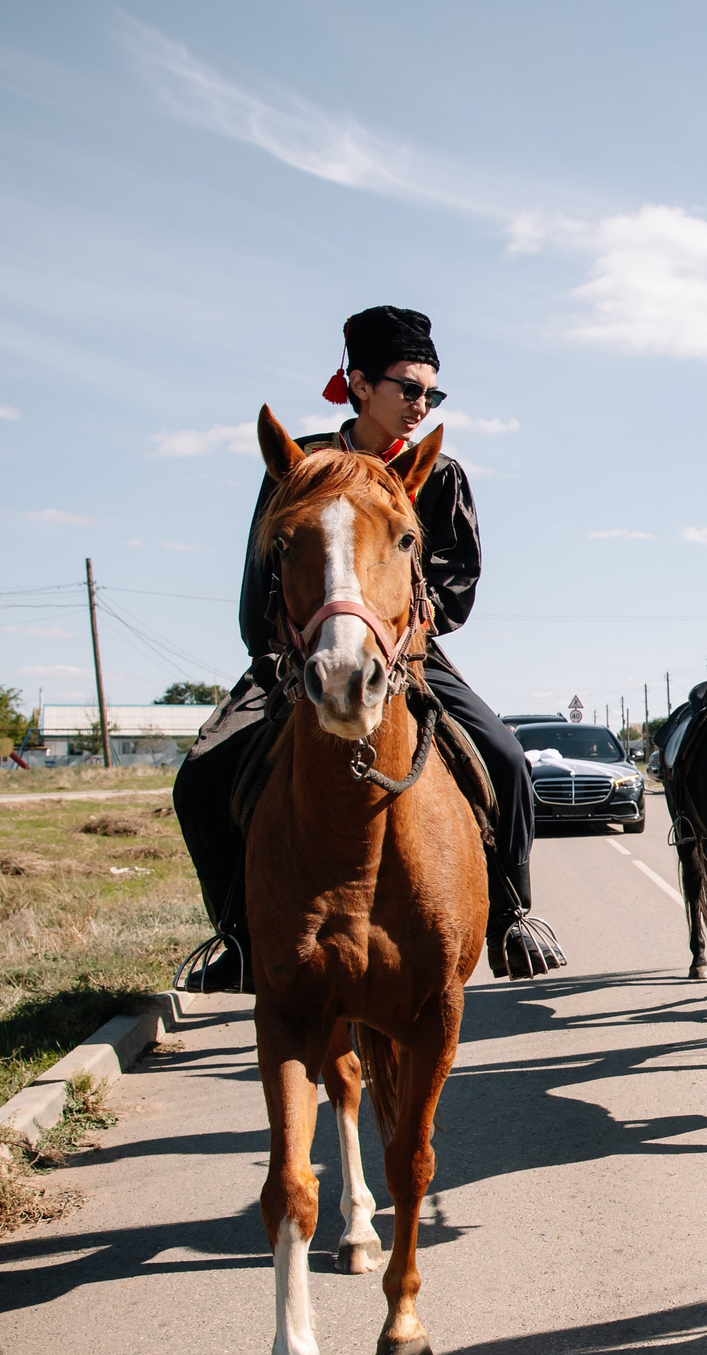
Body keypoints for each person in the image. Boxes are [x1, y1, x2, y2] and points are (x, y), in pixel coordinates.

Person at [173, 304, 564, 987]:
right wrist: (274, 653)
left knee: (505, 759)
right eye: (409, 388)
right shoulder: (299, 462)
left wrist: (406, 622)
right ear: (358, 384)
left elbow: (458, 583)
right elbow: (261, 575)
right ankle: (236, 935)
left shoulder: (440, 474)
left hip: (406, 652)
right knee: (199, 780)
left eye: (432, 393)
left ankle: (511, 915)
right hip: (295, 652)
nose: (422, 404)